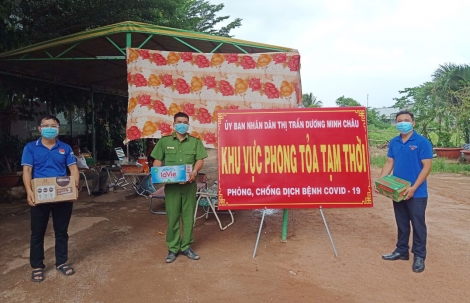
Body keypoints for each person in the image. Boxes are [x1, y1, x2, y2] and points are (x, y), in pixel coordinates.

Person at [22, 115, 79, 282]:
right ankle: (37, 266)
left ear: (58, 129)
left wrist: (73, 189)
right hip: (40, 196)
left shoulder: (65, 148)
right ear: (39, 128)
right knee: (37, 233)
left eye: (53, 125)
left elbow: (73, 169)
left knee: (62, 232)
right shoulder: (31, 148)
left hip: (62, 196)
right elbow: (27, 171)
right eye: (45, 125)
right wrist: (29, 191)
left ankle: (61, 262)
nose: (49, 128)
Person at [376, 110, 433, 273]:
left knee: (418, 224)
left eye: (406, 120)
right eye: (399, 120)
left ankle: (419, 256)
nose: (403, 123)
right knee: (401, 222)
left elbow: (427, 167)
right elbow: (389, 162)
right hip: (398, 190)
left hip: (417, 192)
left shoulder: (422, 143)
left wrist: (413, 188)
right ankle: (401, 251)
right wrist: (381, 181)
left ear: (413, 123)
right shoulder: (394, 142)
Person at [151, 112, 208, 263]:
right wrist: (156, 173)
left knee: (189, 218)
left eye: (185, 122)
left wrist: (195, 172)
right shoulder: (164, 142)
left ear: (188, 124)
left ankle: (186, 247)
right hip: (172, 188)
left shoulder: (195, 142)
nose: (182, 124)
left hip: (189, 186)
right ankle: (173, 248)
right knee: (173, 217)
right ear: (174, 124)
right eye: (179, 122)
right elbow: (157, 161)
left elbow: (200, 160)